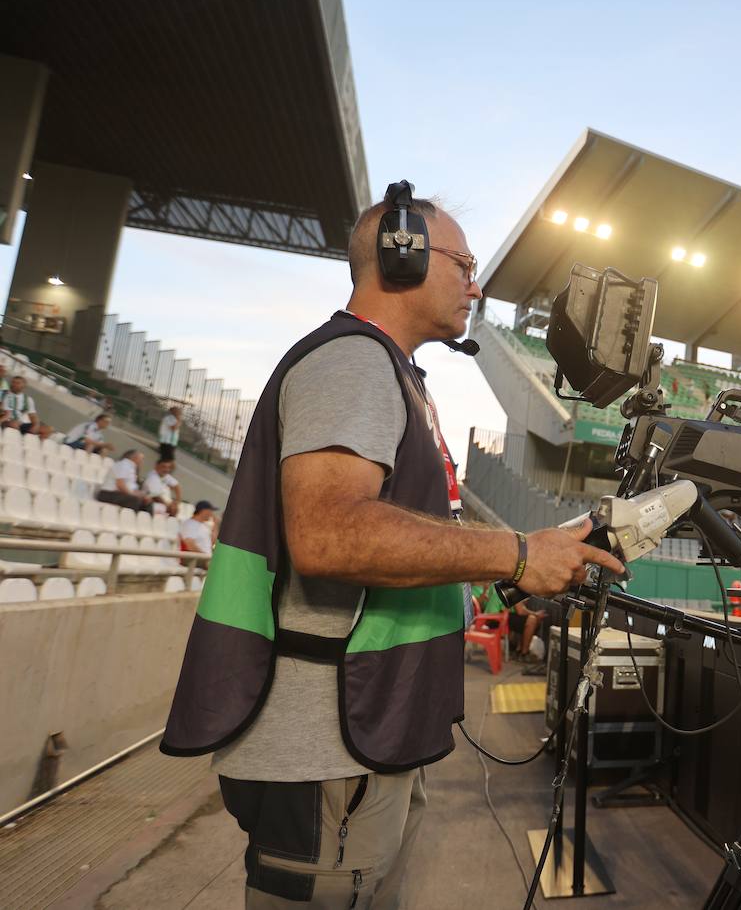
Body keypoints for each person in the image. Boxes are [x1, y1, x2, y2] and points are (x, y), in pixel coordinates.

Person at [160, 185, 625, 910]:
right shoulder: (353, 363)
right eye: (463, 263)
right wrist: (514, 554)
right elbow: (329, 534)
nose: (476, 285)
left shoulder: (394, 376)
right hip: (327, 751)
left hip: (363, 742)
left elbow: (405, 559)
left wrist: (519, 568)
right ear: (400, 255)